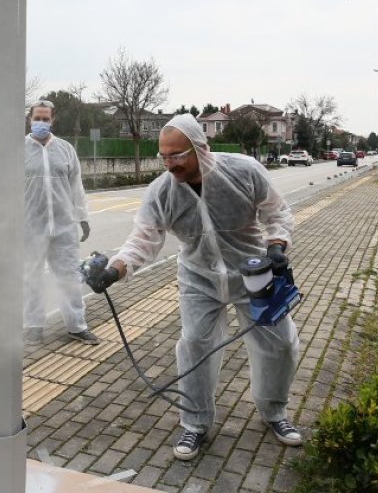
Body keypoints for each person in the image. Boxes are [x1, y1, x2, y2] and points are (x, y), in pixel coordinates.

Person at [84, 113, 302, 461]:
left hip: (253, 274)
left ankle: (275, 412)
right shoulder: (162, 191)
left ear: (202, 148)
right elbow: (143, 239)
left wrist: (276, 246)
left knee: (280, 344)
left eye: (177, 155)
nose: (169, 164)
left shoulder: (244, 171)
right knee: (195, 346)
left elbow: (277, 213)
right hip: (198, 277)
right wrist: (114, 271)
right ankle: (195, 423)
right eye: (164, 156)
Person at [23, 101, 98, 345]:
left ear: (53, 121)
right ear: (29, 119)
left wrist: (83, 217)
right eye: (37, 118)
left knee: (69, 276)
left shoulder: (65, 149)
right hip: (30, 227)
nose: (41, 123)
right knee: (30, 277)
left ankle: (76, 325)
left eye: (46, 119)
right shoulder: (18, 150)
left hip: (64, 227)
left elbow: (77, 187)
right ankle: (33, 326)